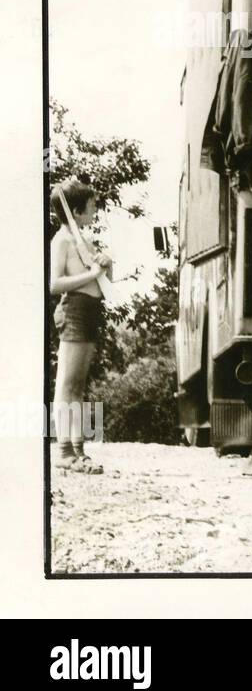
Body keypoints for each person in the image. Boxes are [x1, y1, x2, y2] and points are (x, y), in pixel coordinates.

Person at [49, 179, 112, 474]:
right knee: (67, 383)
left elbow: (104, 281)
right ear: (76, 210)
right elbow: (55, 284)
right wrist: (92, 274)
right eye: (91, 206)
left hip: (90, 311)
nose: (95, 210)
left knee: (78, 385)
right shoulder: (62, 240)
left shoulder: (83, 240)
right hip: (74, 310)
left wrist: (106, 264)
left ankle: (78, 450)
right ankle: (64, 451)